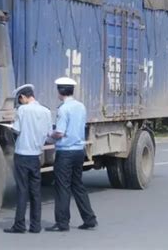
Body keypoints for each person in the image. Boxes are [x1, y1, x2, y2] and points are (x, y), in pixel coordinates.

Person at [45, 77, 98, 232]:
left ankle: (62, 222)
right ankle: (89, 218)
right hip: (78, 151)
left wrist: (49, 135)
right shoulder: (80, 106)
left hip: (65, 152)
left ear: (61, 91)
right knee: (78, 185)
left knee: (62, 187)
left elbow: (60, 133)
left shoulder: (63, 109)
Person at [4, 84, 52, 234]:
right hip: (36, 155)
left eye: (20, 99)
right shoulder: (46, 111)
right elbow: (49, 134)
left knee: (22, 191)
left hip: (22, 154)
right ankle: (35, 225)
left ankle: (19, 225)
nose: (20, 102)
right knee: (35, 192)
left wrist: (10, 127)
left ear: (23, 97)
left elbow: (17, 129)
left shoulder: (22, 110)